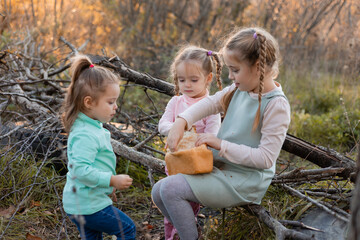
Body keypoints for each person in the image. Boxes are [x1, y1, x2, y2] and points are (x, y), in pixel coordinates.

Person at [151, 27, 291, 240]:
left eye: (235, 70)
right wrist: (181, 121)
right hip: (222, 167)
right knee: (158, 191)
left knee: (170, 189)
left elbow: (265, 159)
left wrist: (220, 144)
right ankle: (190, 230)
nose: (230, 76)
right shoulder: (238, 89)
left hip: (245, 179)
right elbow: (209, 103)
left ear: (257, 67)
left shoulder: (276, 105)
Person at [61, 54, 136, 240]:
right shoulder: (85, 134)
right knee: (127, 228)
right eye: (110, 102)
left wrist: (106, 188)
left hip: (83, 202)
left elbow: (93, 166)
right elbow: (80, 170)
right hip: (87, 206)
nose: (116, 107)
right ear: (89, 102)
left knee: (92, 237)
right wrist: (112, 180)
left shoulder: (89, 127)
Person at [158, 45, 223, 240]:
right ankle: (172, 235)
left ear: (208, 78)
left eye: (194, 80)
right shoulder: (176, 102)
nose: (187, 85)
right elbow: (162, 125)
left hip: (196, 164)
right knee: (170, 202)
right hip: (176, 159)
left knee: (187, 202)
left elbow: (213, 134)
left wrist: (196, 135)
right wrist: (177, 129)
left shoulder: (211, 106)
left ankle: (185, 232)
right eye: (181, 79)